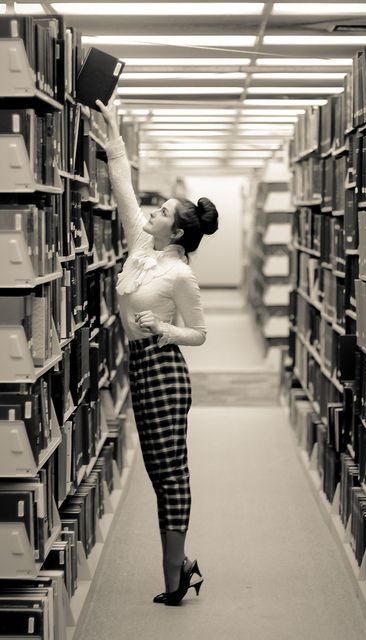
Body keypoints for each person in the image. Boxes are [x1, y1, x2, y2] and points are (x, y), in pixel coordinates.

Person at [96, 99, 219, 606]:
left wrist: (164, 326)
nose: (153, 212)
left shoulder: (180, 274)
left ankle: (174, 577)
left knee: (170, 473)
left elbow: (200, 334)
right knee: (156, 470)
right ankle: (182, 566)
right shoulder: (140, 249)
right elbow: (124, 190)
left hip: (165, 371)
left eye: (163, 212)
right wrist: (113, 140)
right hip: (139, 368)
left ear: (179, 231)